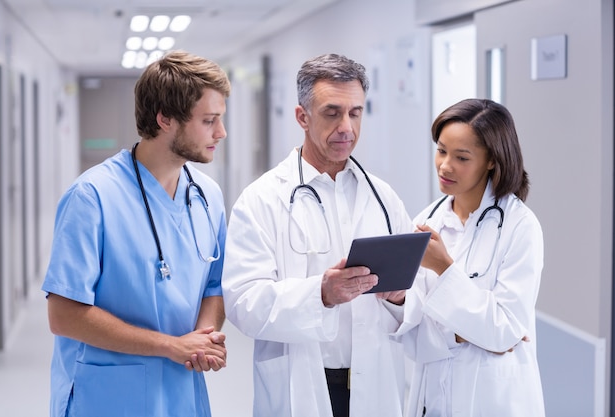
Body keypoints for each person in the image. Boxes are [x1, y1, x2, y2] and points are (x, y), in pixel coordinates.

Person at [42, 50, 231, 417]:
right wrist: (169, 345)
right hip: (108, 396)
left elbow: (214, 285)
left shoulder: (208, 197)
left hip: (180, 389)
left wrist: (201, 342)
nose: (221, 133)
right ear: (165, 120)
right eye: (209, 121)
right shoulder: (92, 197)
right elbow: (63, 314)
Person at [222, 53, 412, 417]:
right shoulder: (262, 199)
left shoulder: (382, 198)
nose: (346, 126)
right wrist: (320, 294)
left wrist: (401, 298)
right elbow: (243, 303)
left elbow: (413, 292)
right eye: (332, 112)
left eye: (355, 113)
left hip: (372, 385)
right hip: (301, 386)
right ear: (302, 117)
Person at [400, 98, 546, 416]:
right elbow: (411, 329)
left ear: (491, 160)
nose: (445, 165)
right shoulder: (427, 221)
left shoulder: (520, 226)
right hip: (432, 396)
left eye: (461, 157)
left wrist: (444, 268)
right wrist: (465, 330)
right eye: (441, 151)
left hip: (494, 399)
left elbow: (503, 328)